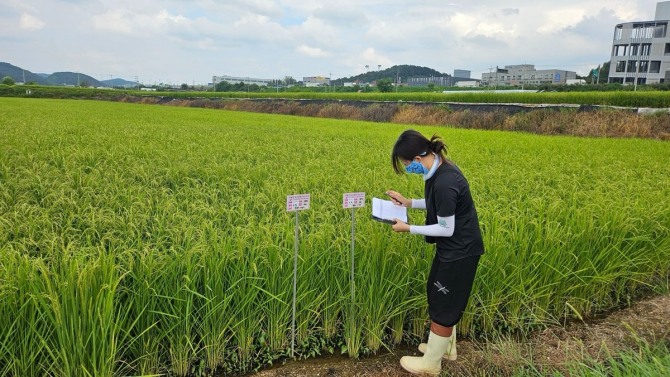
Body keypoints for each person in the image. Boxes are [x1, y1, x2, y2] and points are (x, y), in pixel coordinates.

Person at [386, 129, 484, 376]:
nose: (408, 168)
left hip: (460, 251)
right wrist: (408, 203)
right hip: (453, 249)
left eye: (407, 164)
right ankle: (444, 349)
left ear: (418, 159)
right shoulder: (437, 169)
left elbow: (445, 227)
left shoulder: (445, 180)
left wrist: (409, 228)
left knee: (444, 303)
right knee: (437, 290)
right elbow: (438, 204)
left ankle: (431, 364)